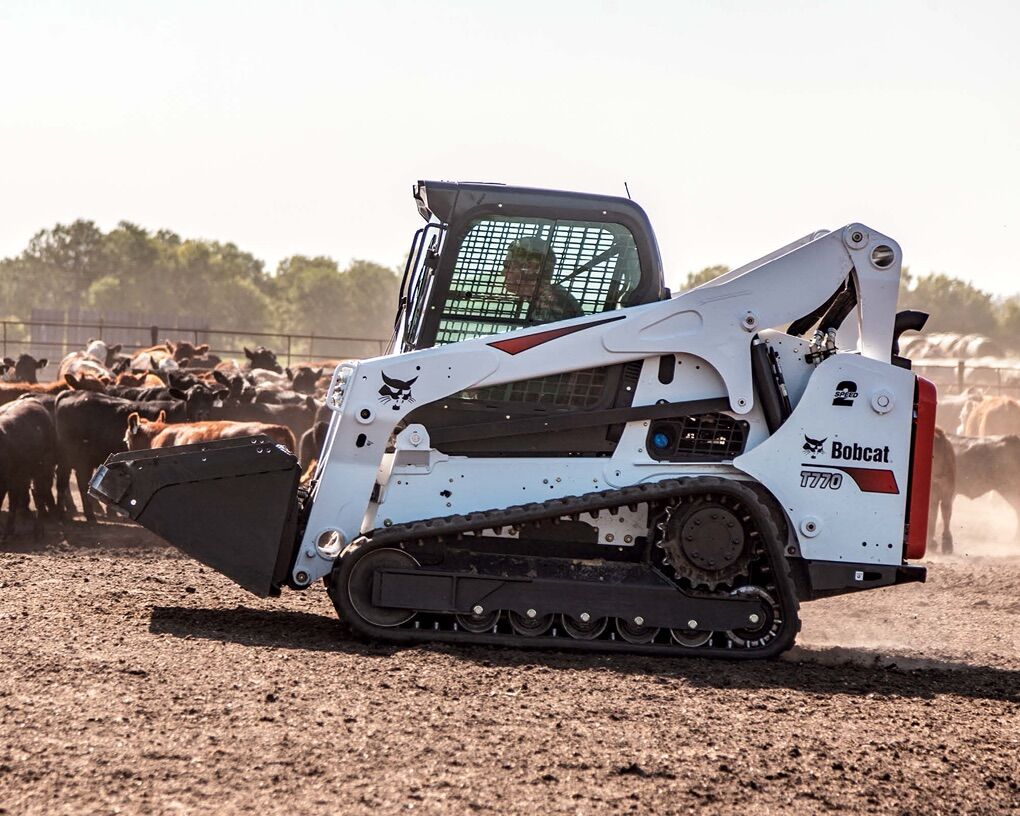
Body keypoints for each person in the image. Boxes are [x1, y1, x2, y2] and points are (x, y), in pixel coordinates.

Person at [501, 237, 582, 323]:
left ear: (531, 268)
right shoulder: (542, 299)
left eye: (507, 266)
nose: (503, 272)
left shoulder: (551, 303)